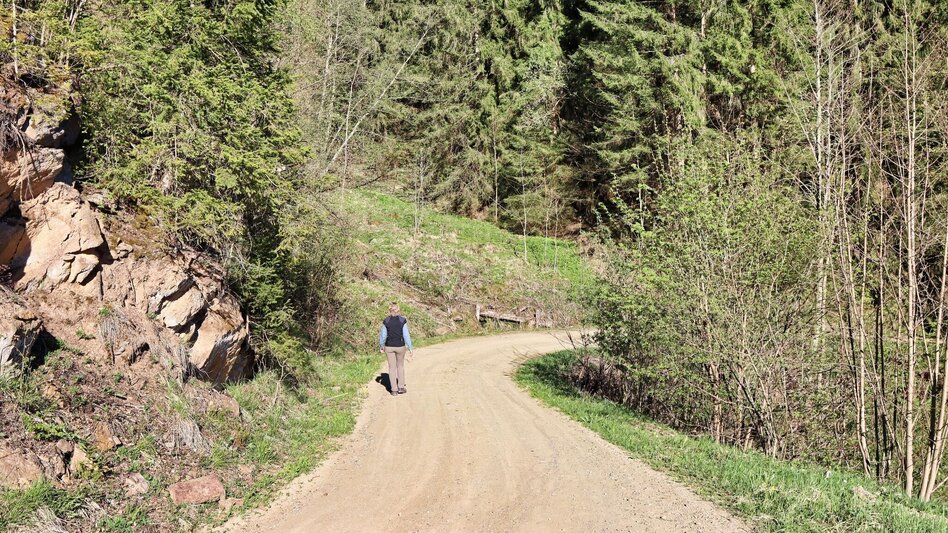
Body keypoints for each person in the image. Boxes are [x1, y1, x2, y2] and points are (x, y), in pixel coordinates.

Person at [379, 303, 413, 396]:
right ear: (398, 310)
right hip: (400, 346)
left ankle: (393, 390)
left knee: (391, 368)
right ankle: (401, 387)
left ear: (389, 310)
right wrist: (410, 347)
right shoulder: (402, 321)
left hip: (389, 347)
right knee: (400, 366)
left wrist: (381, 346)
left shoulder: (386, 321)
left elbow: (383, 335)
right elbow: (406, 335)